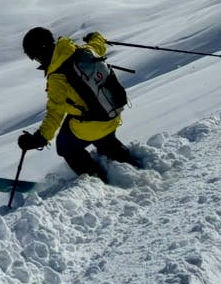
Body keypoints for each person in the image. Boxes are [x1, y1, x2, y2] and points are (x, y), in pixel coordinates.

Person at [17, 26, 145, 181]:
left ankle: (95, 179)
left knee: (65, 145)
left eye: (35, 56)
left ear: (42, 51)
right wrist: (95, 36)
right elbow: (98, 44)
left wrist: (39, 139)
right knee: (95, 132)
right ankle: (127, 161)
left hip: (93, 122)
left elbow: (55, 113)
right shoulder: (84, 50)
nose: (37, 60)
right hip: (112, 112)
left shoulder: (57, 77)